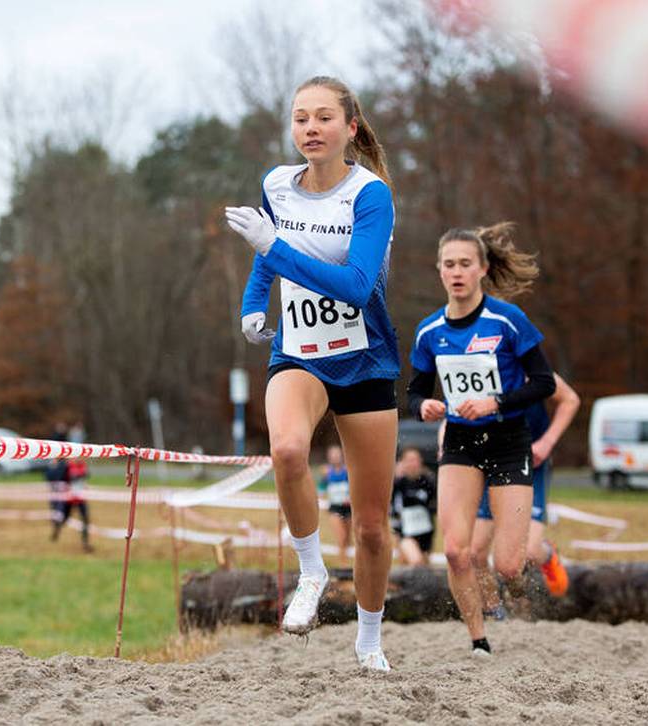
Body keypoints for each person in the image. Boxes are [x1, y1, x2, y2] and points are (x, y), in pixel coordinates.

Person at [225, 76, 398, 670]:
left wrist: (275, 247)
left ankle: (369, 639)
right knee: (289, 452)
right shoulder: (277, 184)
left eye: (324, 118)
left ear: (350, 128)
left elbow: (354, 287)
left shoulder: (370, 196)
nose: (311, 129)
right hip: (299, 353)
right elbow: (265, 257)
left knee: (372, 527)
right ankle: (311, 570)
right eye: (301, 119)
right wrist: (253, 304)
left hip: (365, 358)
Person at [407, 223, 554, 657]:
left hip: (508, 440)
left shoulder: (508, 320)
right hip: (461, 445)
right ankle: (478, 640)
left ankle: (540, 563)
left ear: (482, 269)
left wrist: (497, 401)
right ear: (439, 271)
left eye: (465, 264)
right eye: (449, 264)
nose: (457, 272)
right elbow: (415, 390)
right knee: (457, 552)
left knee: (508, 566)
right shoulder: (429, 331)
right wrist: (423, 407)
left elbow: (544, 383)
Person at [470, 373, 579, 606]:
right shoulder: (475, 365)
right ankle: (494, 609)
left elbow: (570, 399)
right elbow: (454, 412)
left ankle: (548, 554)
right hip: (492, 463)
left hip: (530, 461)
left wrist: (547, 442)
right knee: (476, 551)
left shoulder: (526, 364)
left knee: (529, 552)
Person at [391, 448, 437, 566]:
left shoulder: (428, 482)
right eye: (409, 460)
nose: (412, 463)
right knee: (416, 561)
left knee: (424, 566)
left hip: (425, 530)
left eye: (415, 460)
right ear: (402, 462)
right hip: (405, 531)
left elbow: (435, 505)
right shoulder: (398, 483)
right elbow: (391, 507)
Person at [47, 457, 93, 552]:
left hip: (80, 498)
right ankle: (56, 531)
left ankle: (85, 543)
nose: (79, 458)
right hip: (69, 498)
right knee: (64, 519)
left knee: (85, 520)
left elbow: (86, 475)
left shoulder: (83, 465)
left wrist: (82, 477)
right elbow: (58, 478)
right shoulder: (66, 466)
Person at [317, 444, 353, 563]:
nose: (335, 457)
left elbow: (355, 488)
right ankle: (343, 563)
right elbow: (321, 490)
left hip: (348, 508)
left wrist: (350, 497)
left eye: (337, 455)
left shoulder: (348, 471)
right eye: (332, 455)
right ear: (329, 458)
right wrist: (320, 497)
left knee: (347, 538)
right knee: (341, 536)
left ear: (341, 456)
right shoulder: (327, 473)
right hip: (334, 508)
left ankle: (345, 559)